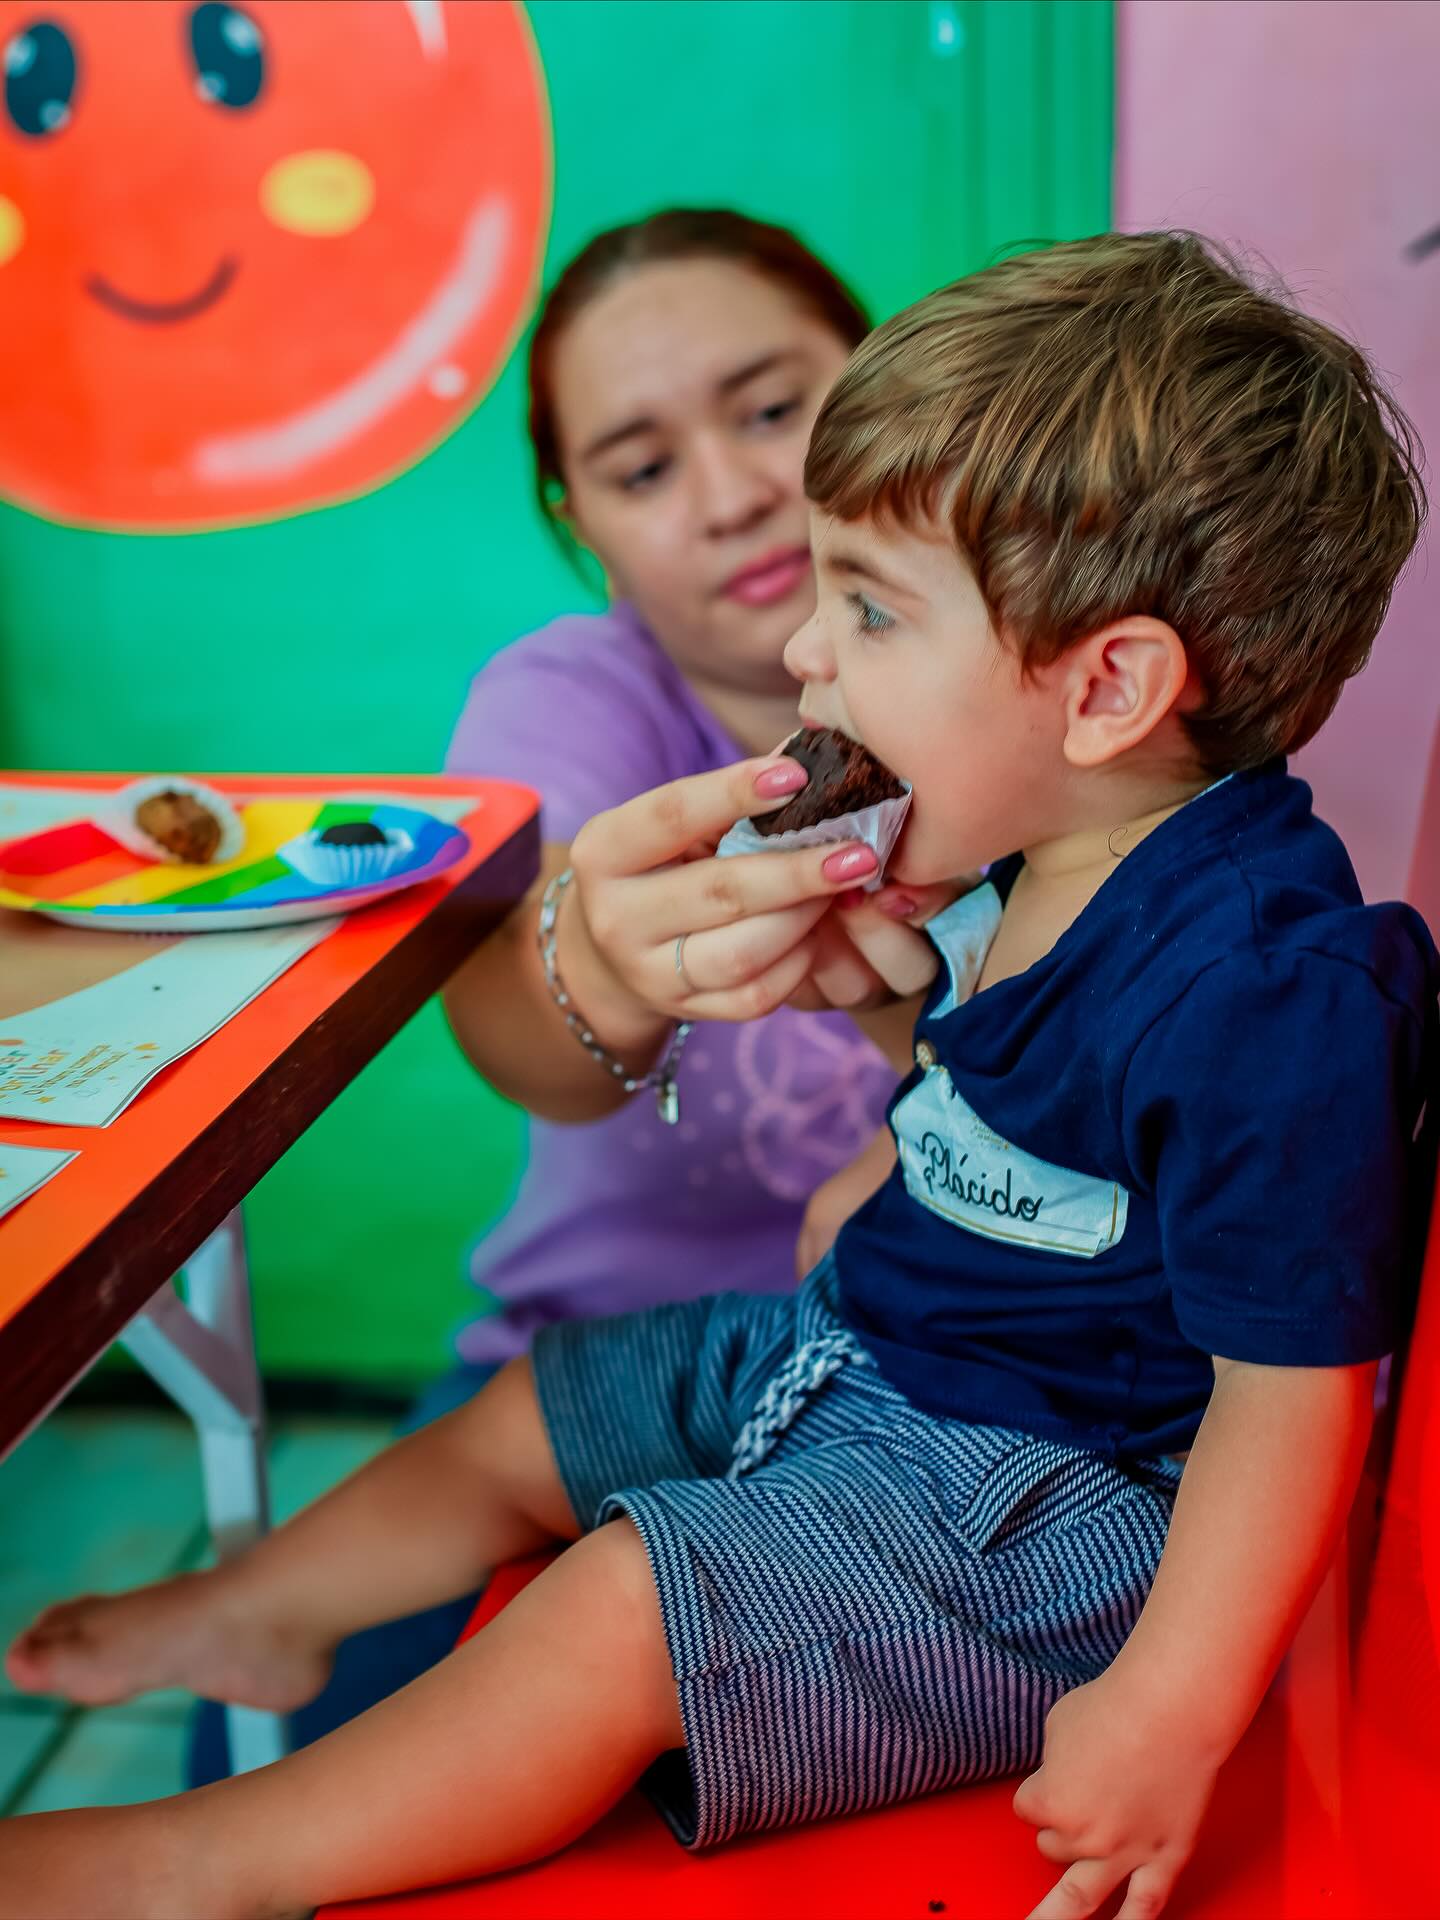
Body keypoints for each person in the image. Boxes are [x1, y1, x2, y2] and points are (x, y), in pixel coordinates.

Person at [8, 230, 1436, 1920]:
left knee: (621, 1606)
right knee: (546, 1402)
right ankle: (263, 1604)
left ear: (1110, 686)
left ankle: (202, 1867)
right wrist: (874, 1034)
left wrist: (1174, 1707)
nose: (814, 659)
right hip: (890, 1354)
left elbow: (1292, 1402)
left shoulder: (1273, 988)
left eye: (874, 610)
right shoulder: (1025, 844)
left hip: (1055, 1504)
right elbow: (1029, 1117)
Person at [187, 208, 934, 1781]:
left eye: (774, 407)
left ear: (887, 384)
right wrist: (598, 961)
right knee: (270, 1751)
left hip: (938, 1384)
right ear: (576, 517)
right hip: (588, 1370)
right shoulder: (569, 700)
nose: (734, 496)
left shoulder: (1021, 664)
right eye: (642, 465)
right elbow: (525, 1025)